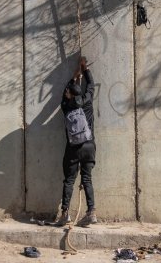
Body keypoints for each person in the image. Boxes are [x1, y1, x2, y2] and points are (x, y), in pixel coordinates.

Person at [56, 56, 97, 227]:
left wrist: (73, 77)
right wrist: (85, 68)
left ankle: (65, 214)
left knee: (69, 180)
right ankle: (91, 212)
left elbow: (65, 94)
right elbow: (91, 85)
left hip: (73, 148)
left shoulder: (66, 106)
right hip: (89, 145)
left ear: (69, 94)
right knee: (87, 179)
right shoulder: (87, 100)